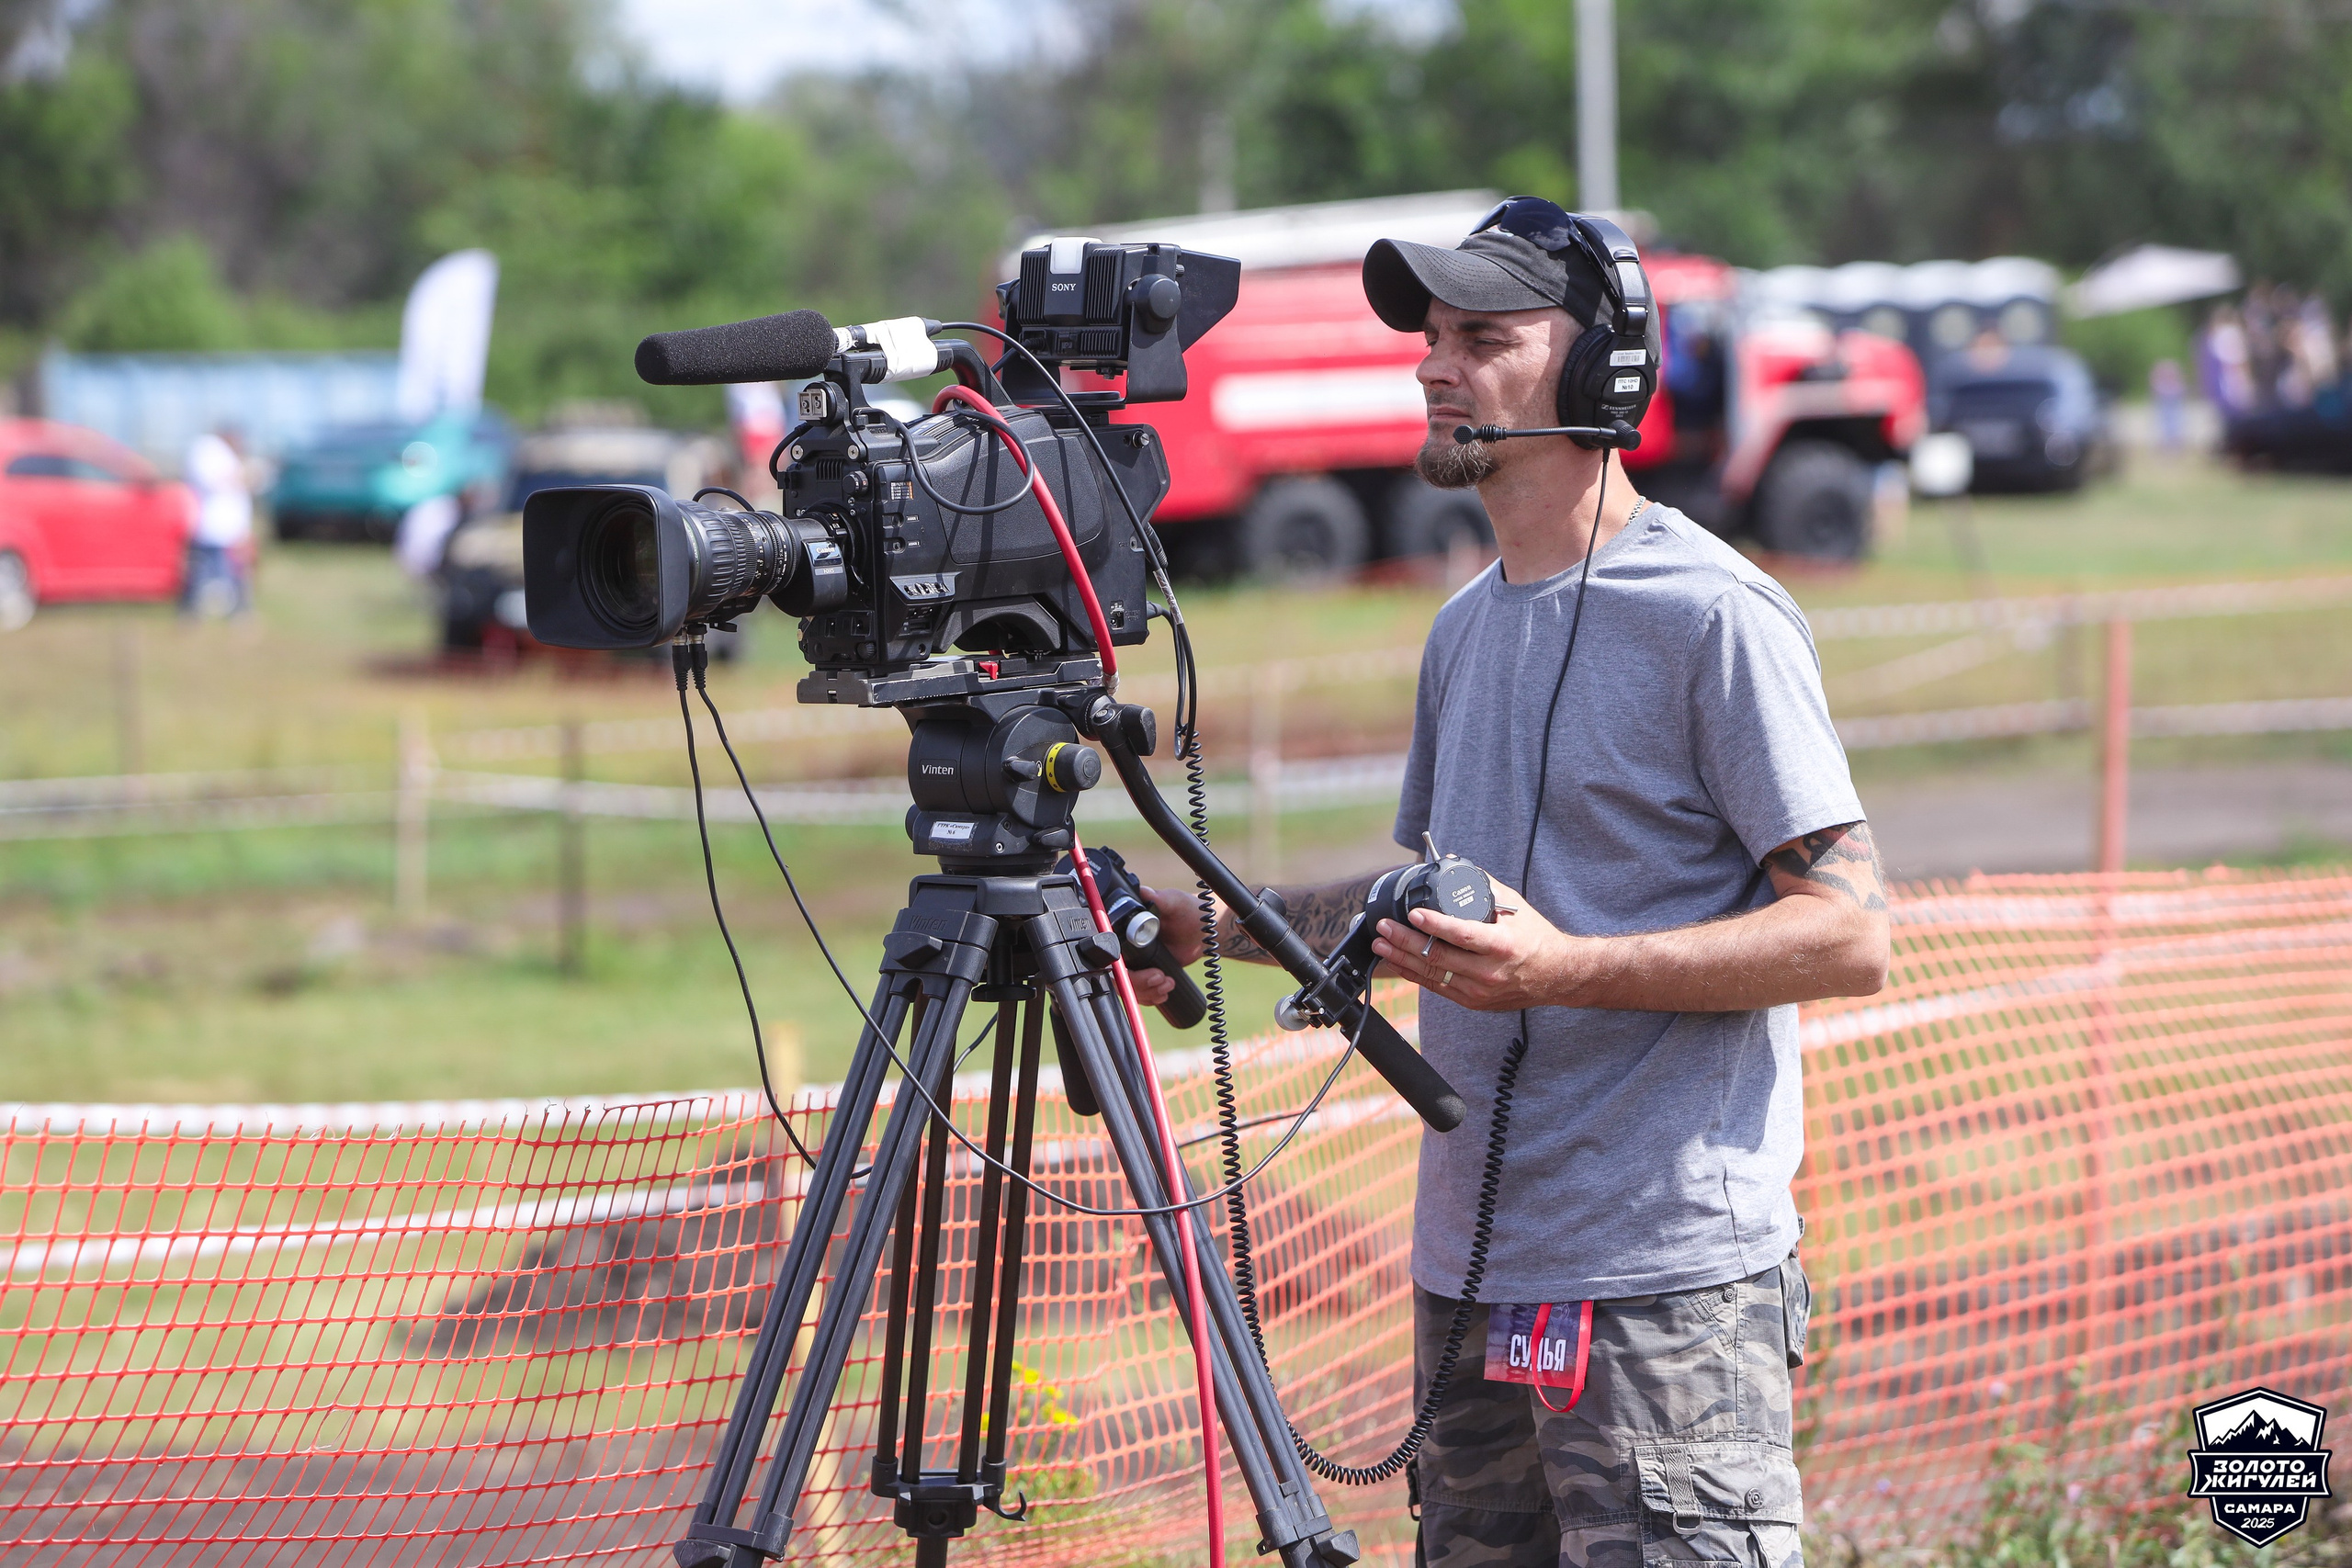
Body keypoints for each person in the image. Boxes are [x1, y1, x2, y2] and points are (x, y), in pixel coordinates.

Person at [1129, 196, 1890, 1568]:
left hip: (1664, 1293)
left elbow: (1848, 936)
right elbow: (1422, 903)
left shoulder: (1715, 615)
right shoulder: (1462, 631)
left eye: (1482, 339)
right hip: (1473, 1283)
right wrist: (1193, 922)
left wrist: (1570, 969)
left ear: (1598, 370)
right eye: (1430, 337)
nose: (1435, 367)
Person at [181, 424, 254, 617]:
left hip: (232, 529)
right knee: (202, 574)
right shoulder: (207, 449)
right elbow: (211, 480)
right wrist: (239, 476)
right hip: (212, 526)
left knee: (237, 573)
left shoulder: (226, 455)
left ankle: (239, 612)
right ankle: (192, 612)